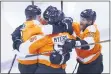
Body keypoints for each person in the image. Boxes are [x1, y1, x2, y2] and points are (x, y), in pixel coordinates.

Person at [11, 5, 73, 73]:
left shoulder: (25, 26)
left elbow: (15, 34)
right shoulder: (37, 26)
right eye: (39, 16)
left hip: (24, 63)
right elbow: (52, 28)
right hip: (32, 63)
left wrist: (16, 41)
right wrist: (65, 25)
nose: (41, 18)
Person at [62, 9, 103, 74]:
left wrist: (74, 43)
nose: (81, 21)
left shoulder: (92, 29)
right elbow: (70, 23)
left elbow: (88, 44)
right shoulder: (80, 26)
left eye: (83, 20)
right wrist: (67, 20)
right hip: (83, 63)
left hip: (93, 65)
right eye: (81, 18)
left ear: (90, 22)